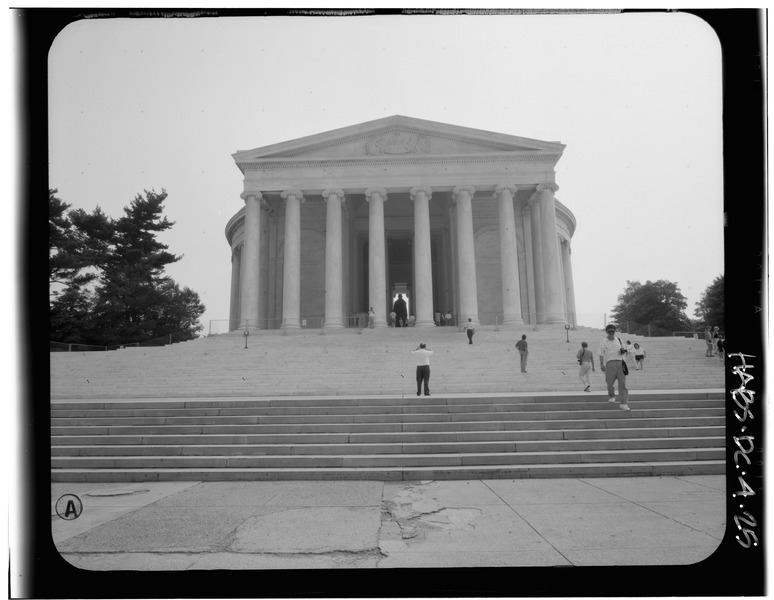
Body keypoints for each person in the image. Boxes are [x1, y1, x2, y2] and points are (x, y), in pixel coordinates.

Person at [598, 323, 630, 410]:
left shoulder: (619, 340)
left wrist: (623, 351)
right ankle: (612, 395)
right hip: (610, 364)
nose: (611, 333)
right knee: (609, 383)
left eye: (613, 331)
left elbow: (624, 351)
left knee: (622, 384)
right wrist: (601, 364)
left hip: (620, 363)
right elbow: (601, 353)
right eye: (609, 331)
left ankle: (623, 403)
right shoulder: (603, 342)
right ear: (607, 332)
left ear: (615, 331)